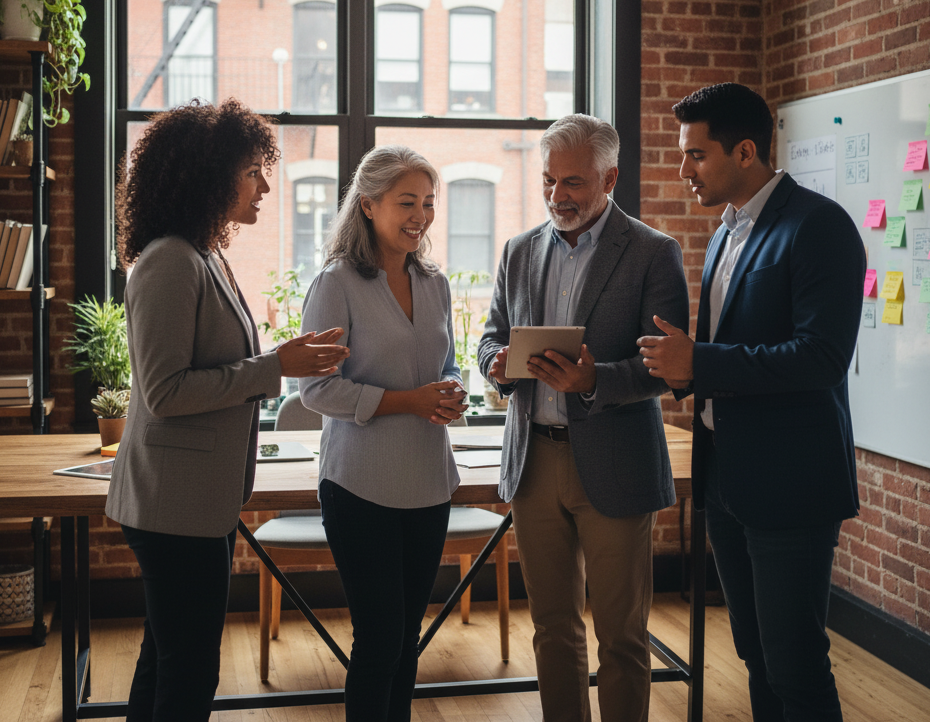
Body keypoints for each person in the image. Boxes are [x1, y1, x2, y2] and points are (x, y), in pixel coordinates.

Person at [105, 99, 349, 722]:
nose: (265, 184)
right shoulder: (169, 261)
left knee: (166, 660)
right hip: (171, 506)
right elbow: (165, 392)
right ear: (210, 176)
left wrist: (278, 361)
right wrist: (276, 368)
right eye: (252, 172)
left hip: (191, 501)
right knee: (189, 673)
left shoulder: (204, 252)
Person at [638, 82, 865, 722]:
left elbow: (820, 357)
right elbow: (732, 346)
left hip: (791, 482)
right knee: (756, 653)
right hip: (728, 480)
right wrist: (680, 371)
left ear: (744, 152)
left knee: (795, 661)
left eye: (695, 155)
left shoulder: (819, 226)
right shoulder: (724, 234)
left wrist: (699, 362)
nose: (684, 169)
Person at [477, 113, 689, 722]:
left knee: (622, 635)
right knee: (552, 628)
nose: (556, 196)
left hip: (616, 462)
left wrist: (596, 379)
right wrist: (496, 363)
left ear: (610, 178)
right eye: (548, 181)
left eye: (571, 183)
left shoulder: (653, 253)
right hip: (533, 460)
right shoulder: (519, 250)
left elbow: (666, 369)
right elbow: (491, 337)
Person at [298, 145, 468, 722]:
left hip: (428, 482)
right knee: (379, 640)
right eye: (406, 203)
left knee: (407, 640)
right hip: (359, 487)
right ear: (368, 205)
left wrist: (450, 388)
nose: (420, 215)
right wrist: (408, 402)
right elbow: (316, 391)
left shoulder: (435, 281)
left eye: (427, 203)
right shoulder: (335, 282)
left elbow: (443, 364)